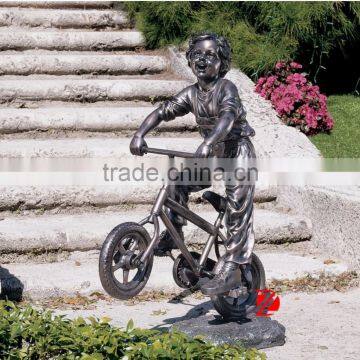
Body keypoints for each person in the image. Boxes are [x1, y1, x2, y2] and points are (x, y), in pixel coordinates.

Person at [130, 32, 256, 296]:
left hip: (237, 151)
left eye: (210, 55)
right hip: (212, 153)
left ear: (221, 62)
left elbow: (227, 118)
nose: (202, 60)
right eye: (197, 55)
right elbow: (163, 111)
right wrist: (140, 134)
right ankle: (173, 231)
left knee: (237, 208)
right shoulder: (191, 94)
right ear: (189, 61)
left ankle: (232, 268)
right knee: (177, 181)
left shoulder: (226, 89)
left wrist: (209, 141)